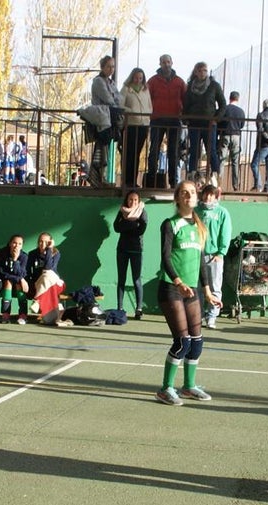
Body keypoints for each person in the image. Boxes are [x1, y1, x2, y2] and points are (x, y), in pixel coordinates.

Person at [155, 180, 220, 406]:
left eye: (192, 192)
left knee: (197, 341)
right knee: (182, 341)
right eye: (184, 193)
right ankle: (165, 389)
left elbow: (202, 263)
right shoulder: (170, 224)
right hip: (171, 288)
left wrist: (208, 292)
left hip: (191, 290)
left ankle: (189, 387)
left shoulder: (199, 226)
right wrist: (178, 281)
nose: (189, 196)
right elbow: (165, 257)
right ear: (177, 198)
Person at [183, 62, 226, 184]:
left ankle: (216, 177)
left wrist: (216, 119)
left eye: (205, 70)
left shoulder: (214, 86)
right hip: (194, 124)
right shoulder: (190, 87)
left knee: (211, 150)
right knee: (194, 151)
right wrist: (185, 118)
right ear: (195, 72)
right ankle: (191, 176)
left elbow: (223, 105)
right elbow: (186, 104)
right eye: (200, 70)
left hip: (209, 125)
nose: (203, 73)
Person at [147, 54, 186, 188]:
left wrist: (184, 115)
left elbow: (185, 99)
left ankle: (174, 182)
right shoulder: (152, 81)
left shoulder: (179, 82)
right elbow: (147, 98)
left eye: (168, 61)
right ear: (160, 64)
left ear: (172, 62)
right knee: (154, 151)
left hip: (175, 120)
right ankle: (151, 180)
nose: (166, 64)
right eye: (163, 62)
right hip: (157, 119)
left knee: (173, 152)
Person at [197, 183, 232, 329]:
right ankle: (198, 316)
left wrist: (220, 253)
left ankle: (212, 317)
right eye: (206, 194)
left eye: (211, 194)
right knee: (198, 287)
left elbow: (226, 233)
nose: (208, 197)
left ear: (215, 196)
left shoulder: (222, 212)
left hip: (214, 256)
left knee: (215, 287)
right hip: (197, 255)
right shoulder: (195, 211)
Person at [114, 189, 148, 319]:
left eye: (135, 200)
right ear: (126, 200)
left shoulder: (143, 212)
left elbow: (141, 230)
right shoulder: (121, 211)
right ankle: (120, 308)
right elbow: (117, 228)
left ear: (138, 201)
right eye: (130, 199)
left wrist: (127, 224)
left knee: (137, 279)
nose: (133, 202)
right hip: (122, 249)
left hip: (136, 250)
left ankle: (139, 309)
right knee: (121, 279)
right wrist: (133, 224)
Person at [90, 55, 123, 186]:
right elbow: (108, 98)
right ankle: (100, 178)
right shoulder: (98, 81)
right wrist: (115, 99)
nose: (111, 69)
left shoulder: (111, 82)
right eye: (108, 66)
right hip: (102, 118)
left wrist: (115, 100)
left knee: (108, 148)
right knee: (102, 147)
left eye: (113, 66)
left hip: (110, 119)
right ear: (102, 67)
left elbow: (118, 99)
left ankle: (104, 178)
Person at [120, 67, 152, 188]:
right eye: (136, 77)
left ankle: (133, 180)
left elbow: (149, 106)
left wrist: (147, 116)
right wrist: (131, 111)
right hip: (131, 125)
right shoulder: (126, 89)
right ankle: (126, 180)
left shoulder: (145, 90)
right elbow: (120, 105)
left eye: (140, 78)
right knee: (129, 153)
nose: (138, 80)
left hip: (143, 125)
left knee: (137, 153)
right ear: (132, 77)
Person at [0, 234, 28, 324]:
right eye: (14, 243)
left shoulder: (24, 256)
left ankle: (23, 315)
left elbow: (22, 273)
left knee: (18, 284)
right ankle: (5, 314)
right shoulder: (3, 254)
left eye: (20, 244)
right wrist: (20, 279)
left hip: (18, 285)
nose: (16, 246)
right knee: (8, 282)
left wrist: (15, 259)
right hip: (6, 282)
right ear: (10, 243)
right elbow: (3, 273)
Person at [219, 90, 246, 191]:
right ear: (237, 99)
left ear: (229, 98)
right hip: (236, 136)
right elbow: (242, 125)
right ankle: (236, 186)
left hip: (225, 135)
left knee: (222, 160)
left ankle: (219, 184)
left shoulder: (224, 109)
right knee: (235, 161)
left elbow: (219, 122)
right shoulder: (241, 111)